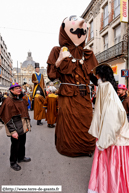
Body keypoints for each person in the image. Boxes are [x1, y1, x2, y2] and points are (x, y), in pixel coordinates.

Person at [47, 15, 98, 157]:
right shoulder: (57, 51)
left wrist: (108, 83)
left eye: (82, 31)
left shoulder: (88, 54)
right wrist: (58, 62)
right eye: (74, 30)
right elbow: (51, 75)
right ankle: (68, 148)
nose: (79, 34)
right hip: (67, 95)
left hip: (84, 96)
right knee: (68, 122)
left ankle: (87, 148)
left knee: (86, 120)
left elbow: (95, 77)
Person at [87, 64, 129, 193]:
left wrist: (103, 141)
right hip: (111, 136)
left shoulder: (106, 88)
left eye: (98, 77)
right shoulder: (107, 87)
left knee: (114, 169)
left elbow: (112, 119)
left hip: (114, 139)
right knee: (114, 169)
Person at [0, 82, 31, 171]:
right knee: (15, 146)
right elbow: (7, 118)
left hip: (23, 126)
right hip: (15, 127)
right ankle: (13, 162)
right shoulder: (8, 101)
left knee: (22, 143)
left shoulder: (20, 98)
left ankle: (21, 157)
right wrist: (13, 131)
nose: (19, 89)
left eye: (19, 88)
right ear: (12, 90)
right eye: (16, 88)